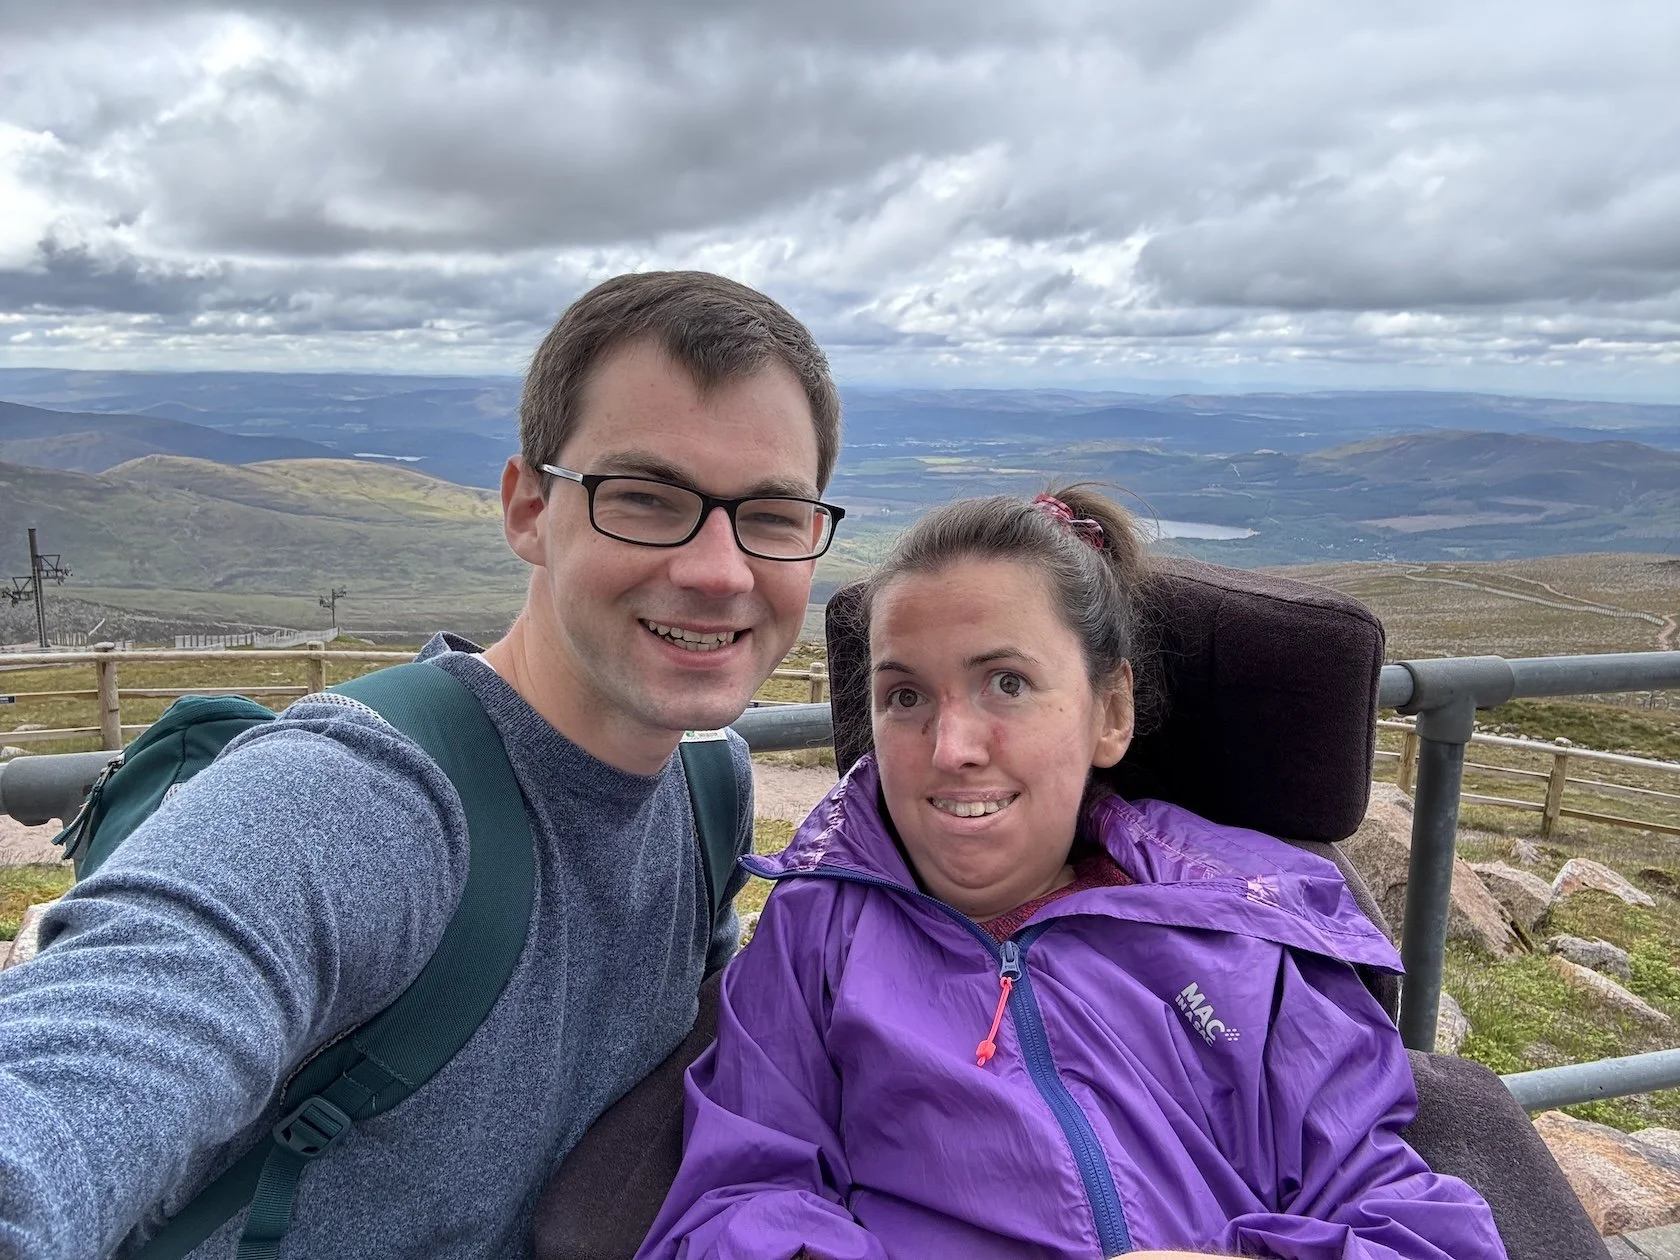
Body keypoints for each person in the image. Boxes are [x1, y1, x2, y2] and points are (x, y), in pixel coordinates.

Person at [0, 272, 845, 1259]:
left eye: (775, 515)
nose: (718, 571)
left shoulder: (712, 792)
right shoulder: (356, 801)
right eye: (645, 498)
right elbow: (74, 1075)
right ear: (528, 509)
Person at [637, 487, 1507, 1260]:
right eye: (905, 697)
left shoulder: (1248, 934)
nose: (952, 749)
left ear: (1112, 712)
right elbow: (736, 1197)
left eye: (1006, 683)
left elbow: (1415, 1226)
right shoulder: (819, 931)